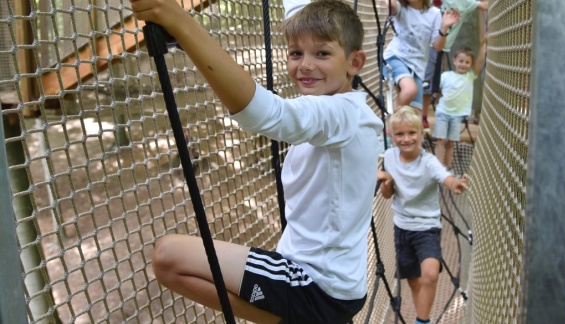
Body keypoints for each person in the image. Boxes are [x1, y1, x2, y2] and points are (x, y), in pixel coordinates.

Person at [130, 0, 383, 323]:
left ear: (355, 62)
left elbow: (269, 115)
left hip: (317, 284)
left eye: (322, 54)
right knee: (171, 261)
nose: (305, 65)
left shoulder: (341, 112)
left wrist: (180, 23)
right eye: (295, 53)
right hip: (334, 284)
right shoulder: (350, 112)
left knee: (168, 256)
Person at [377, 106, 467, 324]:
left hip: (427, 228)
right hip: (402, 228)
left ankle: (422, 321)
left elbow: (443, 175)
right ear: (391, 135)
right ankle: (422, 318)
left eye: (411, 133)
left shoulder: (428, 161)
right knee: (415, 282)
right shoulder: (389, 157)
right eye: (399, 134)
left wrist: (454, 183)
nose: (406, 139)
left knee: (430, 274)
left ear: (420, 133)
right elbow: (387, 196)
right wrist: (386, 181)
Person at [382, 0, 459, 113]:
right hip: (395, 58)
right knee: (410, 90)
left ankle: (393, 123)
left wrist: (444, 28)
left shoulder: (434, 13)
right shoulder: (401, 8)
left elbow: (438, 46)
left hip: (417, 68)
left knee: (415, 113)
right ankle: (386, 123)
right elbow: (390, 4)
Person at [421, 0, 488, 129]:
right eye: (461, 61)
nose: (463, 64)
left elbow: (485, 6)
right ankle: (418, 115)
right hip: (424, 42)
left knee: (428, 85)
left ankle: (423, 116)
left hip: (440, 47)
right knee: (422, 83)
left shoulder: (466, 2)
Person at [434, 35, 486, 171]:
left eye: (467, 62)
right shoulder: (445, 76)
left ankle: (448, 166)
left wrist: (483, 44)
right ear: (455, 61)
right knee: (440, 140)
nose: (463, 64)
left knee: (451, 142)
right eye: (461, 61)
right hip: (443, 112)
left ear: (471, 65)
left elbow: (480, 61)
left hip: (457, 115)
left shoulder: (470, 77)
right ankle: (438, 167)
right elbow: (436, 89)